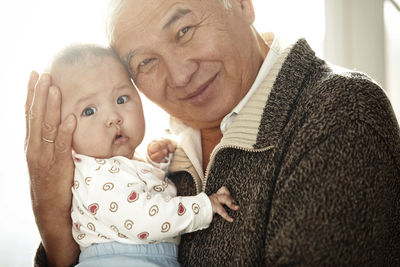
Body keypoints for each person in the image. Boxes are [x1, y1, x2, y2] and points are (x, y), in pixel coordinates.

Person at [26, 0, 400, 266]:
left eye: (184, 31)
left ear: (241, 3)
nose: (180, 75)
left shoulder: (340, 112)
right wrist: (53, 225)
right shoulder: (155, 151)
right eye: (146, 62)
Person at [43, 43, 238, 266]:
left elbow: (141, 190)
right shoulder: (95, 175)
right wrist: (203, 207)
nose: (113, 117)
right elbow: (145, 219)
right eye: (89, 111)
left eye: (121, 99)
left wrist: (157, 164)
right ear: (63, 130)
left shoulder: (115, 164)